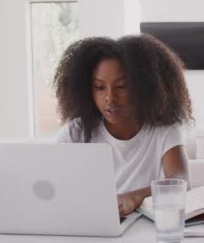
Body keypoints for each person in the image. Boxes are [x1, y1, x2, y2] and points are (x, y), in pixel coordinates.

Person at [53, 35, 194, 215]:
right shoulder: (76, 132)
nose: (110, 98)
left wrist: (135, 197)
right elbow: (48, 177)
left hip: (144, 227)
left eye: (121, 86)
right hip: (90, 221)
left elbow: (180, 182)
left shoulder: (164, 130)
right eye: (99, 87)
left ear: (144, 86)